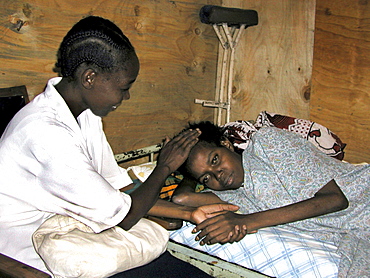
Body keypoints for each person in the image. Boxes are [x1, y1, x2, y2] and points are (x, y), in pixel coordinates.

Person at [0, 16, 238, 277]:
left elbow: (118, 189)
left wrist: (190, 212)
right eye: (124, 87)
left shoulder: (85, 114)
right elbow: (124, 216)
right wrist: (165, 167)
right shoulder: (45, 134)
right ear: (89, 78)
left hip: (81, 234)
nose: (126, 96)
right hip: (34, 257)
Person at [172, 121, 370, 277]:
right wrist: (186, 169)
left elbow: (335, 200)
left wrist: (244, 222)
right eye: (207, 177)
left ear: (226, 144)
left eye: (215, 160)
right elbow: (182, 199)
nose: (218, 175)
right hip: (359, 231)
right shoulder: (232, 195)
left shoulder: (266, 143)